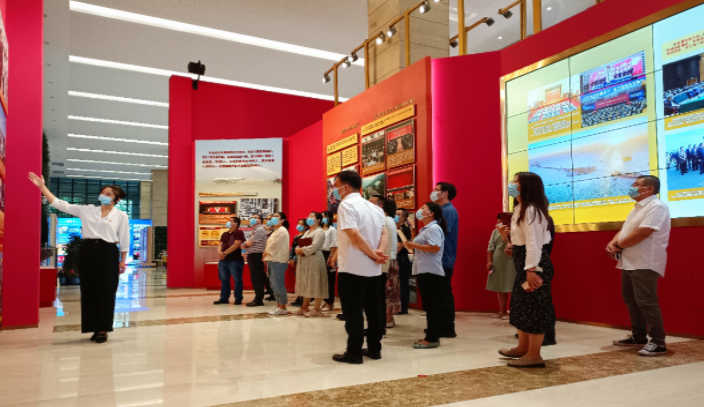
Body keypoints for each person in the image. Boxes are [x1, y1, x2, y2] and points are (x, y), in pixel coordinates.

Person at [29, 172, 129, 344]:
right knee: (89, 289)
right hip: (88, 250)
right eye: (102, 192)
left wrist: (122, 259)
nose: (103, 195)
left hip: (108, 251)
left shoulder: (121, 215)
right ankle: (92, 326)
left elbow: (124, 238)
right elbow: (60, 204)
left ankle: (103, 329)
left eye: (108, 194)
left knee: (107, 290)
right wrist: (42, 187)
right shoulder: (88, 210)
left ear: (116, 199)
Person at [606, 175, 671, 357]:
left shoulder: (656, 206)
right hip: (629, 261)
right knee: (631, 300)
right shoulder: (637, 208)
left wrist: (619, 246)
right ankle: (638, 336)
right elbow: (625, 230)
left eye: (636, 184)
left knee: (646, 302)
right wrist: (613, 242)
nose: (632, 187)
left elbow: (644, 232)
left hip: (645, 261)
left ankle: (658, 342)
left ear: (649, 189)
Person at [331, 170, 388, 364]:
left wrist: (372, 254)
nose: (335, 190)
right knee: (374, 310)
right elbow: (384, 234)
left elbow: (354, 235)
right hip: (373, 269)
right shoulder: (374, 207)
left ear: (345, 187)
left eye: (337, 186)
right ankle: (374, 348)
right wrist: (378, 253)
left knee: (353, 312)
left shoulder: (347, 205)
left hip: (353, 267)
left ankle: (354, 352)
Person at [499, 172, 554, 368]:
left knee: (534, 309)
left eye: (516, 181)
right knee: (521, 307)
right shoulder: (520, 209)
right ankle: (522, 347)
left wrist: (532, 270)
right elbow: (521, 242)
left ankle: (534, 355)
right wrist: (507, 239)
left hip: (534, 267)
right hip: (524, 266)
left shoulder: (531, 210)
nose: (512, 184)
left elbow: (534, 244)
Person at [404, 203, 451, 349]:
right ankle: (431, 334)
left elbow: (435, 247)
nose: (420, 211)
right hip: (424, 270)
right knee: (429, 305)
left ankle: (432, 338)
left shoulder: (434, 228)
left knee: (432, 306)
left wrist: (413, 246)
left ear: (431, 213)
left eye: (423, 209)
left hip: (431, 271)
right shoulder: (426, 229)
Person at [430, 182, 458, 338]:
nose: (433, 192)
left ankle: (447, 328)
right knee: (437, 294)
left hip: (443, 258)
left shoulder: (448, 211)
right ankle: (439, 325)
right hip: (437, 258)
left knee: (443, 293)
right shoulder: (441, 211)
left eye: (436, 189)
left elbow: (440, 233)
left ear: (445, 193)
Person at [370, 195, 400, 328]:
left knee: (385, 293)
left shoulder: (385, 221)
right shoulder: (387, 220)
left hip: (385, 261)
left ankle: (385, 321)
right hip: (386, 260)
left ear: (380, 206)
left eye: (371, 203)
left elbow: (385, 244)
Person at [293, 212, 329, 317]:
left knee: (316, 283)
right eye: (308, 216)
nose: (309, 218)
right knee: (307, 283)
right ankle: (304, 306)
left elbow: (314, 246)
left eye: (312, 216)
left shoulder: (319, 232)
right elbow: (300, 244)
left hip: (315, 259)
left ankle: (317, 308)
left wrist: (300, 250)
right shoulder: (308, 231)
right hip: (305, 261)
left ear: (318, 220)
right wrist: (297, 249)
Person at [486, 214, 516, 320]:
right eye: (498, 222)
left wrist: (505, 235)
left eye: (501, 222)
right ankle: (502, 311)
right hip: (498, 261)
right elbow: (490, 246)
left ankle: (512, 312)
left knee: (511, 287)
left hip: (510, 261)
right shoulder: (495, 232)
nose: (499, 224)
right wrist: (489, 261)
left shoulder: (514, 232)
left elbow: (510, 246)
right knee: (500, 287)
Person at [214, 216, 246, 306]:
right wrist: (220, 253)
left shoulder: (239, 233)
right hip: (223, 261)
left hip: (235, 260)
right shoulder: (224, 234)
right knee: (224, 280)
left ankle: (238, 298)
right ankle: (224, 298)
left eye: (230, 221)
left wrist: (224, 253)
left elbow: (236, 245)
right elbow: (220, 245)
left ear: (235, 224)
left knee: (237, 280)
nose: (228, 222)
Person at [264, 212, 290, 315]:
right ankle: (278, 305)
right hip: (273, 259)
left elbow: (274, 245)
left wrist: (265, 252)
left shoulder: (282, 230)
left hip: (278, 260)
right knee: (274, 284)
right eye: (273, 216)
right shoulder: (276, 230)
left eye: (276, 217)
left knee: (279, 284)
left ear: (282, 220)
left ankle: (282, 307)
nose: (273, 218)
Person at [241, 213, 268, 307]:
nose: (253, 219)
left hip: (256, 255)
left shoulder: (259, 229)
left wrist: (245, 243)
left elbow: (249, 243)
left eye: (256, 218)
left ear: (260, 221)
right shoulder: (255, 229)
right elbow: (248, 243)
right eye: (252, 217)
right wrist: (246, 244)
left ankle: (259, 300)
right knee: (256, 277)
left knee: (257, 278)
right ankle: (258, 298)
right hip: (253, 255)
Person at [289, 219, 309, 307]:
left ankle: (303, 299)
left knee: (303, 280)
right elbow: (293, 248)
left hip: (302, 261)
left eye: (302, 224)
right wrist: (290, 258)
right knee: (298, 280)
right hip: (294, 261)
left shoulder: (306, 236)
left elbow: (303, 250)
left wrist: (295, 259)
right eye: (298, 224)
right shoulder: (296, 236)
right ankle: (299, 297)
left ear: (306, 226)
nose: (299, 226)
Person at [396, 209, 413, 315]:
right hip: (394, 258)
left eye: (398, 214)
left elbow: (399, 246)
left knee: (402, 283)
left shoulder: (405, 229)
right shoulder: (393, 228)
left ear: (403, 218)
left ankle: (403, 307)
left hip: (401, 258)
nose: (395, 216)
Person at [321, 210, 339, 312]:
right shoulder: (320, 230)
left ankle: (330, 302)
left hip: (329, 253)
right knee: (322, 280)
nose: (323, 219)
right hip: (320, 253)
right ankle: (325, 300)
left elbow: (334, 244)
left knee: (329, 280)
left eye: (324, 217)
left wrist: (331, 257)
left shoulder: (332, 230)